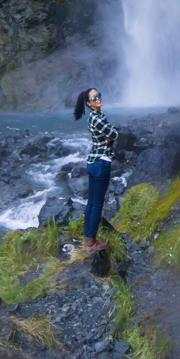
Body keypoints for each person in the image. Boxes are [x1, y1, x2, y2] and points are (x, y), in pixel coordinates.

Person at [73, 87, 118, 254]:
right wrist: (111, 133)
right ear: (88, 103)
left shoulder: (96, 116)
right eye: (94, 98)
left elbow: (110, 134)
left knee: (91, 203)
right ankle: (91, 244)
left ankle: (88, 239)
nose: (98, 98)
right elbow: (114, 134)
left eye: (98, 95)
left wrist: (110, 134)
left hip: (93, 162)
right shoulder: (97, 118)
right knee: (97, 204)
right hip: (101, 163)